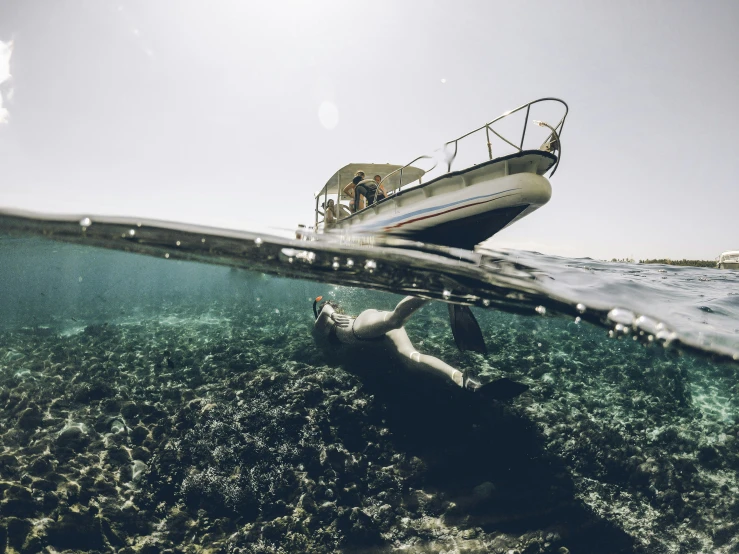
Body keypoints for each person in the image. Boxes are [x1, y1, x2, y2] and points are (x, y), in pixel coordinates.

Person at [312, 295, 529, 399]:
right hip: (370, 335)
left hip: (359, 328)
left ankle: (433, 289)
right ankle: (466, 381)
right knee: (411, 358)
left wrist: (331, 312)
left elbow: (325, 310)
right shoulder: (330, 326)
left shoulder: (323, 324)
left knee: (395, 320)